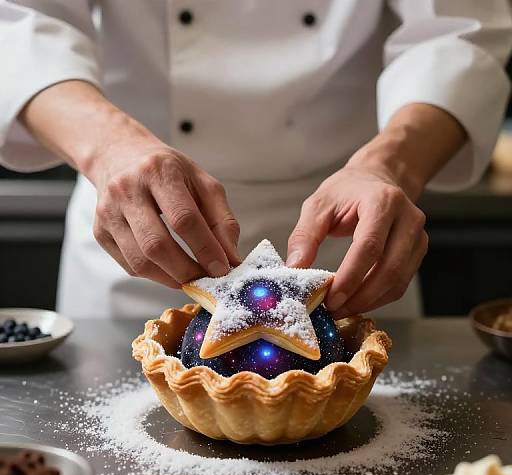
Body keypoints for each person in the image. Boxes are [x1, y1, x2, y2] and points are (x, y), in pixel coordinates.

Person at [1, 1, 511, 319]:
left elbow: (459, 30)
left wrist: (389, 165)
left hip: (348, 240)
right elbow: (22, 21)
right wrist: (109, 147)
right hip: (136, 234)